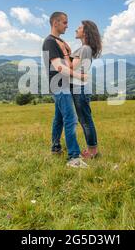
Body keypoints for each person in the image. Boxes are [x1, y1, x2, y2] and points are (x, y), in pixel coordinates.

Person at [42, 12, 89, 168]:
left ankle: (56, 148)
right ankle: (73, 158)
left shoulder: (60, 41)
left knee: (60, 119)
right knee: (70, 119)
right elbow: (59, 67)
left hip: (64, 84)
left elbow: (68, 63)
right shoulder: (49, 42)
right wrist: (79, 76)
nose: (67, 25)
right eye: (64, 22)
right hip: (59, 85)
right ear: (55, 23)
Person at [58, 21, 102, 159]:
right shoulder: (84, 48)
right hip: (78, 88)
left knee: (85, 120)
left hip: (79, 89)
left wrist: (64, 52)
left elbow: (71, 67)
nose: (76, 29)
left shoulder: (85, 49)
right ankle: (92, 150)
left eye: (80, 27)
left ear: (86, 32)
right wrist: (69, 52)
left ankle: (92, 152)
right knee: (85, 119)